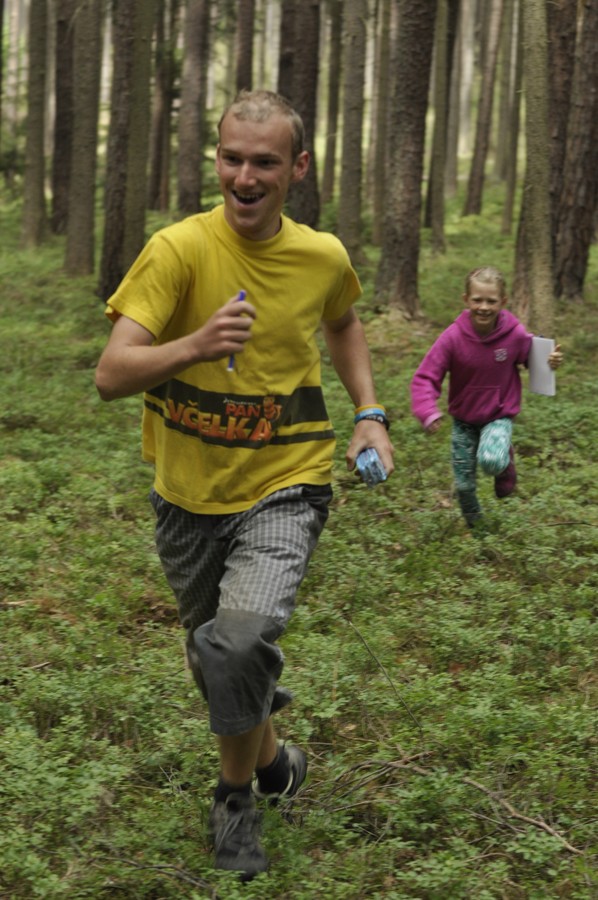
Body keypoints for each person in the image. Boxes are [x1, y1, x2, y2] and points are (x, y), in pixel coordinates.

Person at [95, 89, 394, 881]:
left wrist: (370, 413)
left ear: (298, 168)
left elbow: (342, 320)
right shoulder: (177, 251)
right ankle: (273, 763)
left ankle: (234, 800)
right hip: (186, 496)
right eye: (232, 158)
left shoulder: (321, 257)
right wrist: (194, 345)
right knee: (215, 657)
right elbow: (111, 374)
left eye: (265, 162)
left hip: (288, 481)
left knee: (235, 642)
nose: (245, 177)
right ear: (217, 159)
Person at [410, 265, 562, 528]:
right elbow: (426, 376)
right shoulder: (452, 337)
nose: (483, 307)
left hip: (498, 415)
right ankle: (478, 530)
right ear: (466, 299)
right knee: (464, 486)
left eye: (491, 301)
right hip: (463, 420)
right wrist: (427, 411)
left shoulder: (514, 334)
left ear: (503, 301)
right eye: (477, 300)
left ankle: (505, 465)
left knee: (491, 460)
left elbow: (533, 358)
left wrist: (550, 361)